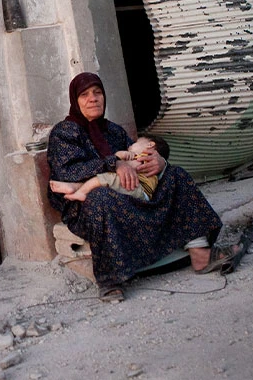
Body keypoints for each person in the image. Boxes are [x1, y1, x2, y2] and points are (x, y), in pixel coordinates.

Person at [47, 72, 239, 302]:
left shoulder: (114, 131)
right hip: (87, 205)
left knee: (175, 174)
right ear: (75, 101)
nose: (93, 99)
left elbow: (138, 156)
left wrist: (158, 162)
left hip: (132, 194)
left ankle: (200, 254)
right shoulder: (65, 132)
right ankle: (110, 280)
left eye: (98, 93)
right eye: (85, 95)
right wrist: (113, 163)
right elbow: (67, 171)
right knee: (101, 198)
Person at [50, 134, 169, 202]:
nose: (130, 146)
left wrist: (119, 159)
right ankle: (78, 186)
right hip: (127, 190)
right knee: (105, 181)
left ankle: (81, 191)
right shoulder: (66, 132)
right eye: (84, 95)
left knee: (107, 178)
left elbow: (132, 168)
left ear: (150, 145)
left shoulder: (146, 157)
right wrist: (116, 160)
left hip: (137, 189)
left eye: (134, 143)